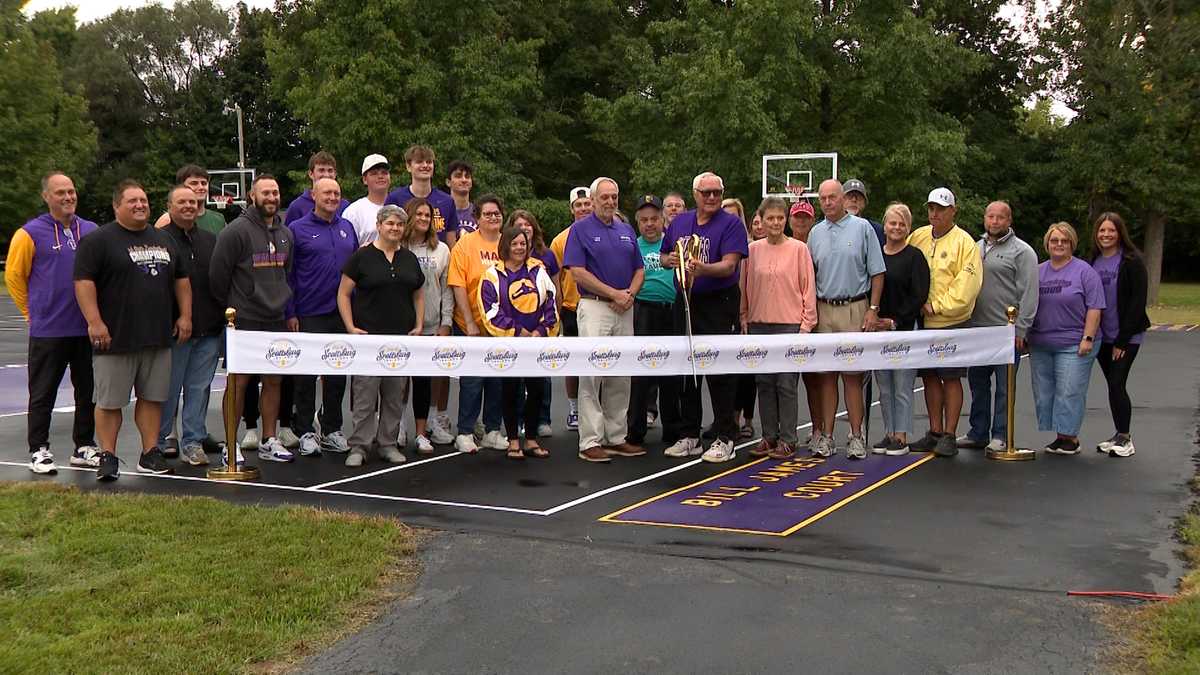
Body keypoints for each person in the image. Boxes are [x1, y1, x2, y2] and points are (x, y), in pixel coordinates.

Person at [73, 180, 192, 480]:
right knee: (110, 402)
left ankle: (150, 453)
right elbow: (83, 282)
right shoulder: (99, 241)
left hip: (157, 336)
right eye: (132, 201)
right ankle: (108, 455)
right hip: (116, 338)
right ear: (116, 206)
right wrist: (95, 321)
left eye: (143, 200)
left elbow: (181, 280)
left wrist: (185, 316)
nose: (140, 205)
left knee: (152, 399)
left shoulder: (164, 239)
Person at [6, 172, 100, 474]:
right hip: (49, 330)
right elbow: (14, 278)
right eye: (60, 192)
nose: (68, 197)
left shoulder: (92, 230)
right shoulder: (29, 233)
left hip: (85, 328)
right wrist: (32, 313)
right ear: (46, 196)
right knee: (43, 392)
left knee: (88, 391)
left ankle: (84, 446)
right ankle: (39, 449)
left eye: (71, 191)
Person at [660, 172, 749, 463]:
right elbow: (663, 256)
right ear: (695, 194)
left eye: (716, 193)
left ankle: (726, 436)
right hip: (685, 299)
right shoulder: (680, 222)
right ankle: (690, 435)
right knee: (686, 371)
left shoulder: (731, 224)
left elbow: (729, 266)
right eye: (706, 192)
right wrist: (671, 260)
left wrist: (702, 268)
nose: (712, 198)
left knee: (720, 370)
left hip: (718, 301)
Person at [210, 174, 296, 464]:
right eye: (265, 193)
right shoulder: (235, 232)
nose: (271, 198)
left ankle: (269, 439)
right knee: (239, 383)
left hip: (275, 319)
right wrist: (235, 308)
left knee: (274, 381)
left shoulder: (286, 234)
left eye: (275, 192)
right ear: (252, 197)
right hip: (244, 319)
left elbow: (287, 273)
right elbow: (218, 279)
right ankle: (230, 444)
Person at [564, 177, 646, 463]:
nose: (610, 202)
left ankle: (616, 436)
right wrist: (614, 293)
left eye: (614, 197)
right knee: (592, 374)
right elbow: (577, 272)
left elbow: (639, 269)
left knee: (621, 375)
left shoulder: (626, 230)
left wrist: (629, 295)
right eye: (605, 197)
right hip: (595, 307)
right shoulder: (580, 230)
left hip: (625, 307)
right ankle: (590, 440)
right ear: (594, 199)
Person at [337, 205, 424, 467]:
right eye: (390, 224)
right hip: (368, 339)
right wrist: (351, 327)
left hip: (400, 339)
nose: (395, 228)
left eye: (399, 224)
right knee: (365, 397)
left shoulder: (409, 259)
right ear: (379, 225)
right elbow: (343, 294)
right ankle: (359, 446)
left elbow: (418, 293)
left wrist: (419, 324)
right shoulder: (361, 257)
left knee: (395, 396)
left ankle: (387, 443)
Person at [806, 179, 885, 460]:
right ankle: (827, 437)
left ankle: (856, 436)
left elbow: (877, 272)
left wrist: (873, 308)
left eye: (832, 197)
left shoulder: (863, 229)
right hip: (824, 309)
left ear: (843, 199)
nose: (828, 202)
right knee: (826, 377)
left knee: (852, 378)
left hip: (855, 306)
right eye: (823, 198)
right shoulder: (815, 233)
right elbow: (809, 276)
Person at [906, 188, 982, 458]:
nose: (934, 213)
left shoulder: (965, 243)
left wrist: (938, 306)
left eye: (940, 208)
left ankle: (949, 433)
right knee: (929, 378)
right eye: (931, 208)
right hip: (923, 322)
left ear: (953, 211)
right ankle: (935, 430)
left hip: (952, 323)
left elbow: (967, 286)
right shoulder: (919, 236)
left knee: (950, 378)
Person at [739, 196, 817, 460]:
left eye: (780, 218)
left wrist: (806, 326)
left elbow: (808, 287)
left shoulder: (798, 249)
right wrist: (744, 317)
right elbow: (745, 287)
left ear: (786, 220)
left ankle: (788, 439)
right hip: (760, 325)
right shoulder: (752, 250)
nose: (775, 222)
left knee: (786, 384)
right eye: (769, 218)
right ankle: (768, 436)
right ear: (760, 219)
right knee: (764, 384)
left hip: (789, 326)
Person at [958, 201, 1039, 452]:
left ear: (1009, 220)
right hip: (978, 331)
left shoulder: (1022, 252)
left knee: (1005, 388)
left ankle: (1001, 434)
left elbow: (1029, 292)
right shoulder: (975, 247)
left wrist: (1021, 329)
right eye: (990, 216)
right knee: (978, 383)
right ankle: (978, 431)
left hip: (1006, 332)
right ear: (985, 218)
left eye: (1000, 218)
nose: (994, 222)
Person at [287, 177, 359, 456]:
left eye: (337, 193)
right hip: (309, 311)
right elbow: (289, 274)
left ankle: (331, 428)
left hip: (341, 314)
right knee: (305, 376)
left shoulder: (347, 228)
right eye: (327, 192)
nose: (332, 197)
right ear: (314, 195)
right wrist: (290, 312)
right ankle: (305, 430)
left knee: (337, 374)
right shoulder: (297, 228)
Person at [157, 185, 224, 467]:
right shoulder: (158, 240)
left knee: (198, 389)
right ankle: (158, 442)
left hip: (208, 328)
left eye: (193, 202)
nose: (188, 206)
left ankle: (193, 442)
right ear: (169, 206)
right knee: (167, 390)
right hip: (173, 331)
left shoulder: (210, 240)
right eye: (181, 201)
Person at [478, 226, 559, 459]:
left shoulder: (538, 271)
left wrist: (540, 332)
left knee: (536, 390)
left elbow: (550, 305)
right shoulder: (492, 275)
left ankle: (531, 439)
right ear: (506, 246)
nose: (519, 247)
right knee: (510, 390)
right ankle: (513, 440)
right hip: (509, 345)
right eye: (514, 243)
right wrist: (519, 332)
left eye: (523, 243)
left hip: (536, 344)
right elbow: (490, 313)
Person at [1027, 222, 1105, 455]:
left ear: (1072, 244)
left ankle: (1070, 438)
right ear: (1047, 244)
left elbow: (1095, 307)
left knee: (1069, 390)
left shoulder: (1085, 272)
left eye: (1064, 241)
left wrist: (1088, 338)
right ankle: (1059, 435)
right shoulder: (1037, 271)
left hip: (1075, 342)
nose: (1059, 244)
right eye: (1054, 240)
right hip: (1041, 343)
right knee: (1045, 392)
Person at [447, 194, 507, 453]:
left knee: (497, 380)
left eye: (497, 213)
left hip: (502, 326)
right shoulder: (465, 244)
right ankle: (465, 431)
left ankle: (493, 430)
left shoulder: (508, 243)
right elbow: (458, 284)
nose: (493, 218)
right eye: (487, 214)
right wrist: (469, 322)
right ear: (477, 218)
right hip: (471, 324)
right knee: (472, 380)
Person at [1090, 212, 1150, 458]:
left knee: (1117, 383)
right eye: (1102, 231)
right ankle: (1118, 434)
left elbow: (1137, 302)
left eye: (1111, 231)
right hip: (1103, 337)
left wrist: (1123, 340)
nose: (1106, 235)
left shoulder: (1131, 261)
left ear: (1120, 233)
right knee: (1112, 386)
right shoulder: (1092, 261)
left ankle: (1125, 438)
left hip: (1126, 336)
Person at [871, 203, 930, 455]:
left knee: (902, 385)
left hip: (904, 328)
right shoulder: (876, 255)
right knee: (884, 386)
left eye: (901, 224)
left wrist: (894, 321)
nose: (896, 228)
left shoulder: (915, 256)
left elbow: (919, 296)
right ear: (884, 225)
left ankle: (901, 435)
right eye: (892, 223)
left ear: (908, 227)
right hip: (878, 330)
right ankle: (888, 432)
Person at [626, 195, 681, 448]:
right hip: (643, 310)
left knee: (671, 374)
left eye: (654, 219)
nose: (650, 224)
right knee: (640, 376)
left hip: (671, 311)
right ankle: (635, 431)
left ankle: (673, 429)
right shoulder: (632, 247)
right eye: (644, 220)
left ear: (663, 219)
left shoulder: (674, 245)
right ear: (638, 222)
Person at [403, 197, 455, 453]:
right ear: (409, 216)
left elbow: (447, 290)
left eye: (428, 215)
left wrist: (446, 322)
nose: (423, 219)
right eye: (419, 214)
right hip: (401, 324)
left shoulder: (442, 250)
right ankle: (398, 426)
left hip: (432, 324)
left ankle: (423, 431)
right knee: (398, 380)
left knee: (424, 380)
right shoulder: (398, 247)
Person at [507, 209, 558, 437]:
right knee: (513, 385)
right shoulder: (498, 270)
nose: (524, 229)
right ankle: (515, 429)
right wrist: (519, 331)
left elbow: (552, 294)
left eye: (528, 225)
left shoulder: (544, 260)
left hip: (539, 333)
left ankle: (539, 424)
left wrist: (543, 328)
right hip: (513, 335)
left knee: (539, 382)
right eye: (519, 225)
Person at [549, 186, 593, 430]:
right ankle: (575, 409)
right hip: (571, 307)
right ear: (571, 209)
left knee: (600, 359)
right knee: (573, 363)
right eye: (579, 205)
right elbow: (556, 280)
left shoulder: (603, 232)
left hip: (598, 306)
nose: (584, 208)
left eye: (587, 204)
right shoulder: (560, 240)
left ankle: (598, 408)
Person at [788, 198, 823, 446]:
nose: (801, 221)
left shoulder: (817, 244)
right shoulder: (784, 245)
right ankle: (783, 432)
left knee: (814, 379)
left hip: (813, 316)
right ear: (791, 220)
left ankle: (818, 428)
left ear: (812, 220)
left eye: (805, 217)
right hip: (787, 318)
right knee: (785, 381)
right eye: (797, 217)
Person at [385, 145, 459, 248]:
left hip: (437, 260)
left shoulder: (447, 201)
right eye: (419, 162)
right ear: (408, 166)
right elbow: (386, 236)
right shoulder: (395, 198)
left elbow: (451, 242)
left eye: (429, 162)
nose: (425, 165)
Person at [153, 165, 228, 234]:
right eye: (194, 183)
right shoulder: (167, 219)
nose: (201, 187)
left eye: (204, 183)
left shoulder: (219, 219)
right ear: (181, 186)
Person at [284, 151, 350, 225]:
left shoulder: (345, 206)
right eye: (321, 170)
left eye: (330, 170)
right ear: (311, 174)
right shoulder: (297, 207)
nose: (326, 175)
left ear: (335, 174)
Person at [342, 153, 392, 245]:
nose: (380, 176)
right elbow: (346, 248)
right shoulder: (353, 212)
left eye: (384, 172)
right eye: (374, 173)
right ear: (365, 179)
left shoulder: (399, 205)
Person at [842, 178, 886, 247]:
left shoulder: (876, 230)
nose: (854, 200)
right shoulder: (830, 228)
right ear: (841, 200)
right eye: (849, 196)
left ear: (864, 203)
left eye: (858, 197)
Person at [447, 160, 477, 235]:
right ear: (448, 182)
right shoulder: (442, 212)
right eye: (458, 176)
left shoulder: (479, 213)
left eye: (467, 176)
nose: (464, 180)